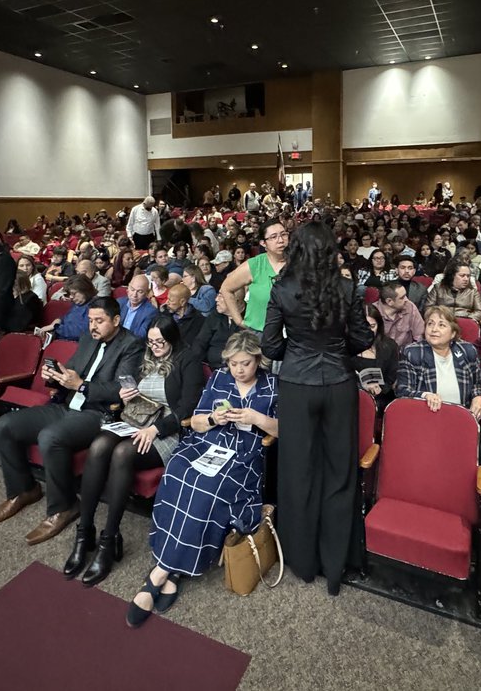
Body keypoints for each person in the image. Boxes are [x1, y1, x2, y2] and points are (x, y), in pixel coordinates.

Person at [129, 331, 277, 627]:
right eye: (234, 363)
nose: (238, 370)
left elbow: (284, 429)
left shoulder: (273, 386)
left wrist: (256, 419)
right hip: (208, 444)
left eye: (245, 363)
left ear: (258, 360)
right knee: (178, 471)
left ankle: (160, 573)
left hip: (244, 456)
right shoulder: (219, 379)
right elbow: (196, 421)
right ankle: (172, 570)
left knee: (206, 486)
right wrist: (213, 419)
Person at [261, 221, 372, 595]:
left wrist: (299, 344)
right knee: (339, 473)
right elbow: (361, 340)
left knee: (299, 471)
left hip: (296, 386)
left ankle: (304, 562)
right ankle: (336, 566)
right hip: (339, 384)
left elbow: (271, 347)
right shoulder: (347, 287)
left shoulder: (283, 289)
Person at [0, 296, 145, 545]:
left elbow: (121, 389)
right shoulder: (87, 339)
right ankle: (23, 489)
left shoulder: (131, 345)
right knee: (5, 426)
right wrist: (53, 376)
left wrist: (81, 385)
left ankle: (65, 506)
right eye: (91, 320)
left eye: (99, 321)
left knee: (50, 437)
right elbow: (70, 371)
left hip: (99, 414)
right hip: (67, 405)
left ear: (116, 320)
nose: (93, 326)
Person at [63, 315, 204, 586]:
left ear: (173, 338)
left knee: (122, 453)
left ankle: (109, 539)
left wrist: (156, 430)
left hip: (166, 432)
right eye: (151, 342)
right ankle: (85, 531)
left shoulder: (188, 359)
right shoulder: (145, 355)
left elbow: (188, 407)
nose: (155, 346)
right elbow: (125, 386)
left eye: (160, 342)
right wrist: (125, 393)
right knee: (99, 444)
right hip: (134, 421)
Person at [396, 306, 481, 419]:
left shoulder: (467, 350)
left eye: (441, 325)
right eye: (430, 324)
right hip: (426, 418)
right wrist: (425, 395)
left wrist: (479, 396)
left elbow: (479, 382)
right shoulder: (412, 353)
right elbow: (402, 391)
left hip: (462, 417)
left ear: (453, 333)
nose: (434, 329)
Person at [220, 218, 289, 332]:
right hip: (259, 333)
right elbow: (226, 288)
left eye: (284, 235)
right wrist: (238, 320)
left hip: (292, 335)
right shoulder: (254, 265)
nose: (280, 240)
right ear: (263, 243)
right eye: (273, 237)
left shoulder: (298, 262)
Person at [352, 303, 399, 410]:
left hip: (381, 398)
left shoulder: (389, 346)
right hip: (352, 396)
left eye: (372, 326)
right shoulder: (345, 345)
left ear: (379, 325)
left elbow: (392, 376)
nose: (368, 330)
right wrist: (361, 387)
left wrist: (380, 388)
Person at [42, 275, 94, 342]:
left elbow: (81, 332)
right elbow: (68, 318)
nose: (71, 297)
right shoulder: (78, 303)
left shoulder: (94, 307)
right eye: (70, 294)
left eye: (74, 293)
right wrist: (59, 320)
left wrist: (55, 327)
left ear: (85, 290)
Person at [376, 281, 425, 348]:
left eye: (406, 296)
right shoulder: (373, 312)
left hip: (405, 353)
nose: (406, 300)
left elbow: (419, 335)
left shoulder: (410, 306)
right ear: (389, 301)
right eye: (402, 298)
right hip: (380, 353)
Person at [120, 274, 159, 339]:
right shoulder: (119, 302)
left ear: (147, 293)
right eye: (132, 289)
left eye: (140, 291)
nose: (134, 295)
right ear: (128, 289)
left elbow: (140, 336)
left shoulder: (151, 312)